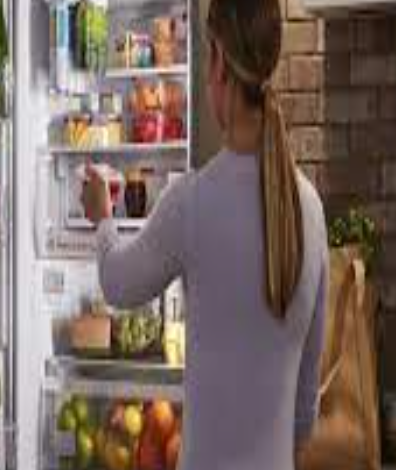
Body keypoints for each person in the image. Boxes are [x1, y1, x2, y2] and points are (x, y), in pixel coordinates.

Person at [81, 0, 329, 468]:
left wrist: (103, 217)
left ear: (217, 62)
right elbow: (305, 409)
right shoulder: (311, 209)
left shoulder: (193, 202)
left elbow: (118, 282)